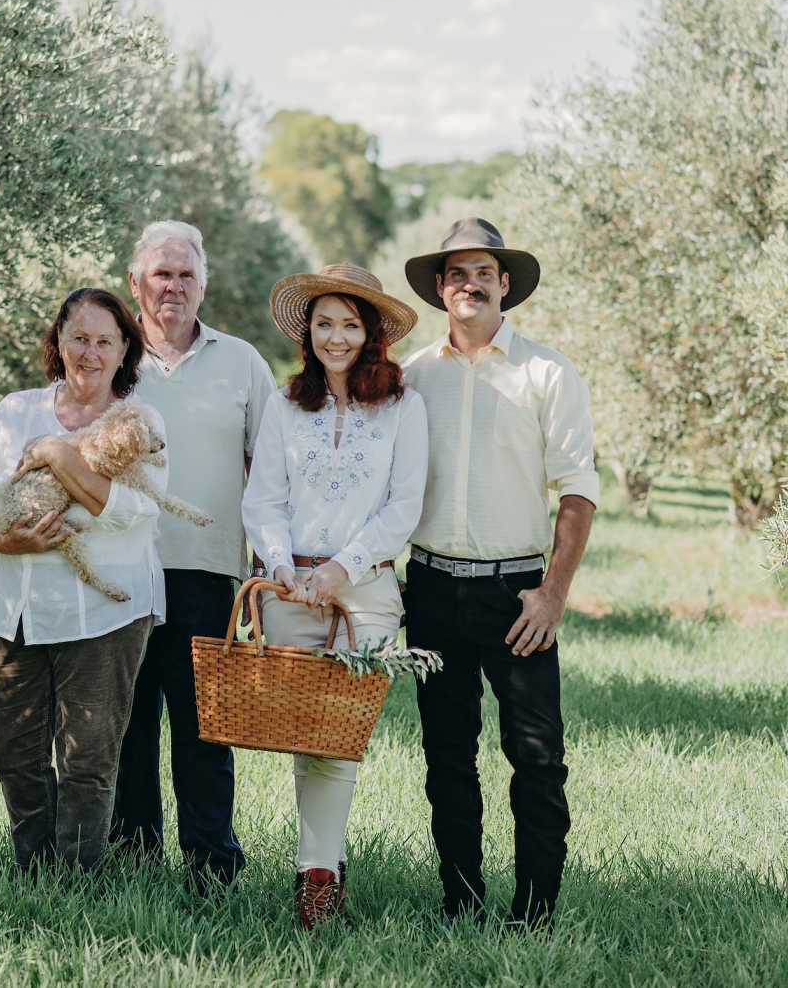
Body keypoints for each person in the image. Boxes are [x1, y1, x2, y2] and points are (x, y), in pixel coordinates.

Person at [399, 218, 599, 928]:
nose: (470, 283)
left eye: (483, 271)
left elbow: (578, 489)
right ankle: (460, 903)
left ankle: (537, 913)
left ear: (505, 283)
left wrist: (552, 594)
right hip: (427, 591)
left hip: (516, 595)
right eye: (456, 273)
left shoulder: (548, 373)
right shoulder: (412, 378)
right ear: (440, 289)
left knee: (538, 758)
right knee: (447, 759)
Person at [0, 288, 166, 875]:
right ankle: (34, 868)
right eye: (79, 337)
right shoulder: (16, 410)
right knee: (13, 747)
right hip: (14, 603)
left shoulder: (138, 421)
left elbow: (131, 509)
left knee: (88, 755)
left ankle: (77, 880)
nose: (90, 353)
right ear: (59, 342)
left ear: (126, 349)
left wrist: (57, 454)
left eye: (105, 340)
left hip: (107, 611)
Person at [242, 264, 428, 929]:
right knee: (305, 736)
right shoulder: (284, 404)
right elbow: (261, 498)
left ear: (371, 331)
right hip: (290, 590)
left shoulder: (404, 406)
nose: (337, 336)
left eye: (350, 323)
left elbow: (403, 507)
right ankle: (319, 874)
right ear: (308, 331)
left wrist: (339, 571)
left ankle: (318, 880)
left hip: (365, 593)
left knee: (335, 736)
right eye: (324, 323)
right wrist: (285, 565)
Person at [109, 220, 277, 890]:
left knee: (206, 728)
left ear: (203, 284)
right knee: (126, 726)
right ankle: (132, 859)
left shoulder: (243, 363)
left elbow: (271, 471)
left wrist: (272, 558)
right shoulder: (110, 360)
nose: (172, 286)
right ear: (135, 284)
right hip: (120, 572)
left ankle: (212, 866)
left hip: (209, 573)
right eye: (160, 274)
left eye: (184, 275)